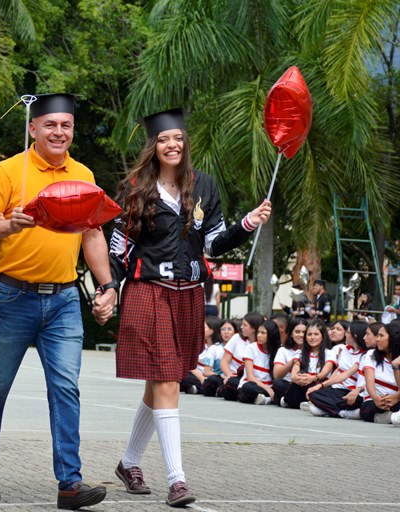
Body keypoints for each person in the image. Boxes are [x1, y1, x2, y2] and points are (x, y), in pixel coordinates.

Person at [107, 108, 270, 507]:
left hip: (190, 294)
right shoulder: (134, 189)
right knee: (167, 382)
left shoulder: (205, 187)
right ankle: (177, 480)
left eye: (177, 138)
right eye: (164, 140)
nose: (172, 145)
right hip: (149, 291)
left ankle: (129, 463)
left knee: (159, 382)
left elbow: (213, 244)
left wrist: (246, 223)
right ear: (154, 146)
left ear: (185, 143)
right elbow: (118, 250)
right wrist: (107, 288)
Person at [0, 94, 115, 510]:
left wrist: (107, 286)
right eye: (50, 125)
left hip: (65, 299)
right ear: (33, 128)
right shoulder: (10, 170)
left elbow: (92, 234)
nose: (59, 132)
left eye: (66, 125)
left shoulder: (83, 173)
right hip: (12, 295)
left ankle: (70, 483)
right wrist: (7, 224)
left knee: (66, 389)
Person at [307, 321, 368, 417]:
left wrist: (321, 385)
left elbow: (345, 375)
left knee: (354, 401)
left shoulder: (365, 354)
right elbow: (338, 371)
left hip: (354, 392)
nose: (345, 335)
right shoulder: (345, 350)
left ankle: (329, 409)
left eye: (347, 333)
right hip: (339, 389)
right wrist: (322, 386)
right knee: (313, 394)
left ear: (355, 336)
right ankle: (341, 412)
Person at [283, 319, 336, 410]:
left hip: (319, 386)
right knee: (282, 384)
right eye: (309, 334)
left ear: (322, 336)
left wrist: (312, 378)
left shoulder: (329, 353)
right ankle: (308, 403)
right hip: (303, 384)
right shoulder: (300, 352)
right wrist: (296, 378)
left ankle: (291, 401)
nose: (312, 337)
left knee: (315, 391)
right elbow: (295, 368)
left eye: (316, 334)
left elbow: (324, 373)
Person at [359, 322, 400, 423]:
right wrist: (376, 399)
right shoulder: (371, 354)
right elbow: (369, 383)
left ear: (393, 338)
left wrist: (397, 396)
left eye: (381, 336)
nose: (377, 339)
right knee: (367, 410)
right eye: (377, 335)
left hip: (396, 399)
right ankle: (391, 417)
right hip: (375, 401)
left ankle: (390, 417)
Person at [237, 320, 281, 405]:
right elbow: (250, 377)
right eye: (258, 332)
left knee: (282, 386)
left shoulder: (278, 351)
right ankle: (270, 398)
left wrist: (270, 388)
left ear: (271, 335)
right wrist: (267, 389)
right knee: (247, 387)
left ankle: (265, 398)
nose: (259, 335)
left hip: (270, 386)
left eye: (263, 333)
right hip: (253, 385)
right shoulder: (251, 348)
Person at [180, 316, 223, 395]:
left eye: (204, 327)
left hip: (212, 376)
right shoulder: (198, 344)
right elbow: (190, 366)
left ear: (212, 330)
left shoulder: (220, 347)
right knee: (183, 376)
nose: (200, 330)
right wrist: (202, 378)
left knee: (213, 381)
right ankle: (202, 387)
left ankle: (197, 388)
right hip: (197, 375)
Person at [272, 317, 307, 406]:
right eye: (297, 332)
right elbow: (277, 375)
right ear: (291, 333)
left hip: (306, 385)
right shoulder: (283, 350)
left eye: (304, 332)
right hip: (288, 385)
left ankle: (288, 401)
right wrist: (293, 360)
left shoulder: (314, 351)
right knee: (278, 384)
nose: (301, 335)